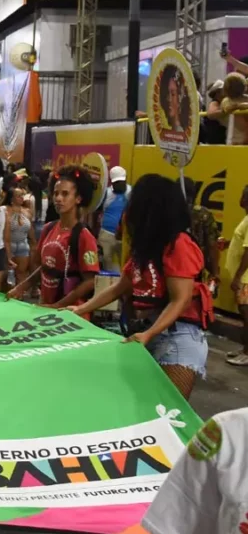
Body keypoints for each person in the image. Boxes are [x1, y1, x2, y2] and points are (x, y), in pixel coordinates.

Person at [70, 175, 212, 398]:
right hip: (150, 332)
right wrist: (81, 309)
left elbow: (181, 299)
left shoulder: (179, 245)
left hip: (177, 339)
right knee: (146, 408)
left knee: (169, 414)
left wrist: (149, 333)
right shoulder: (146, 248)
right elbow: (120, 287)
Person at [7, 166, 99, 309]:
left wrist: (58, 305)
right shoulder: (48, 228)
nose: (58, 198)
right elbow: (43, 268)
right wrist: (20, 288)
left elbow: (89, 281)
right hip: (45, 311)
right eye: (55, 193)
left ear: (78, 198)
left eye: (65, 194)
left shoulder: (84, 236)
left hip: (71, 314)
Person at [183, 177, 220, 295]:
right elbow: (212, 245)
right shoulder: (203, 214)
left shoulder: (168, 212)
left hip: (170, 266)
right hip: (196, 267)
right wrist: (214, 272)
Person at [225, 185, 248, 366]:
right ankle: (244, 349)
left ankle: (247, 353)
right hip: (244, 278)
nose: (241, 197)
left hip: (246, 279)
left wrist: (238, 277)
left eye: (244, 195)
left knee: (247, 316)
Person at [98, 166, 130, 273]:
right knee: (107, 264)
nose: (119, 185)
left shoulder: (131, 192)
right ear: (111, 182)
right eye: (116, 182)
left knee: (127, 265)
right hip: (106, 235)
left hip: (125, 236)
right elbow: (95, 213)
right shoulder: (105, 194)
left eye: (121, 182)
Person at [4, 187, 35, 288]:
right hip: (8, 244)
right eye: (18, 196)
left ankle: (19, 295)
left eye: (22, 195)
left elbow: (30, 230)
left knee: (22, 272)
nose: (22, 198)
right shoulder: (5, 210)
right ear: (11, 198)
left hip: (23, 244)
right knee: (7, 273)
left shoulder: (27, 211)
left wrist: (34, 244)